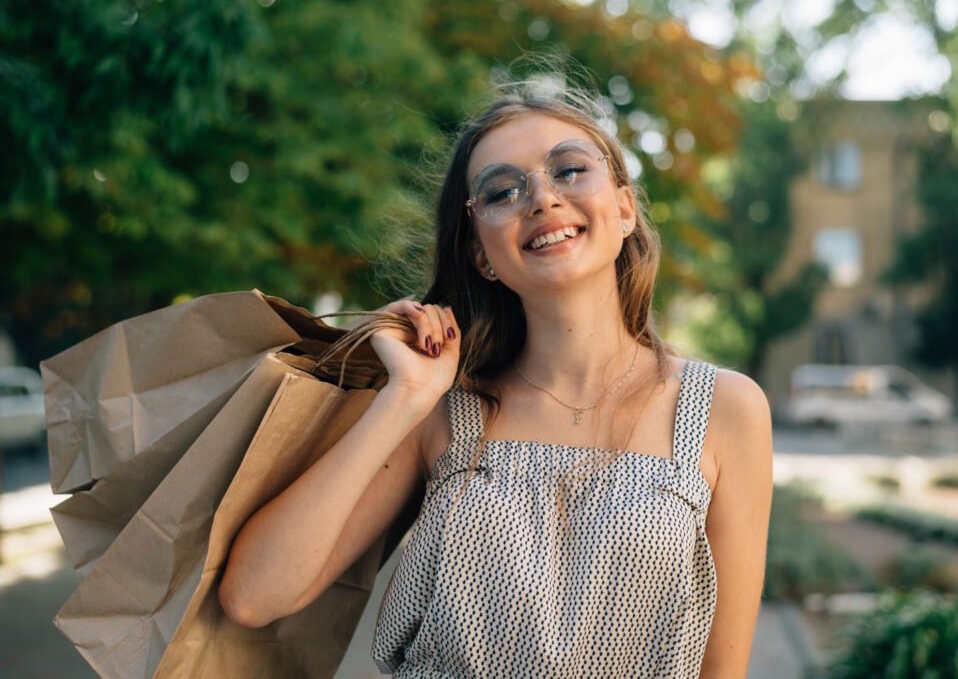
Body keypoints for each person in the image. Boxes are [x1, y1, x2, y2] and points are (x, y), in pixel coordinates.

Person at [219, 76, 773, 678]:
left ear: (623, 209)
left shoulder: (725, 409)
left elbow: (723, 670)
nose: (541, 197)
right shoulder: (442, 410)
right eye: (502, 191)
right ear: (481, 253)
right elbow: (253, 597)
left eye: (568, 171)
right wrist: (403, 397)